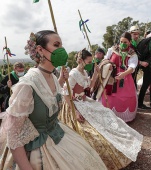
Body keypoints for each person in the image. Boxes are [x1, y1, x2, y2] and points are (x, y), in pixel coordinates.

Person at [0, 30, 107, 170]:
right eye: (56, 45)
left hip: (58, 135)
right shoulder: (27, 85)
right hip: (38, 151)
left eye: (61, 45)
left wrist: (62, 79)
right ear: (40, 49)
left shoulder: (52, 78)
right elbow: (13, 136)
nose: (61, 49)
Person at [59, 49, 143, 170]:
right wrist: (75, 111)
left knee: (106, 115)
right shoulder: (73, 74)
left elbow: (90, 86)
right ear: (80, 60)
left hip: (84, 101)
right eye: (88, 62)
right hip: (74, 104)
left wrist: (95, 74)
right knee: (93, 130)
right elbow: (66, 94)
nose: (90, 64)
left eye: (90, 62)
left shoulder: (83, 72)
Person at [102, 32, 138, 122]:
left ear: (130, 42)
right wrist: (108, 64)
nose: (122, 43)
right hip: (111, 76)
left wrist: (123, 74)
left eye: (125, 42)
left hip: (125, 77)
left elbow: (132, 67)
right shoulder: (113, 49)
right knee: (109, 94)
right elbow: (106, 59)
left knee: (124, 96)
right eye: (121, 41)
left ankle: (123, 117)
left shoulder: (132, 54)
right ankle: (108, 115)